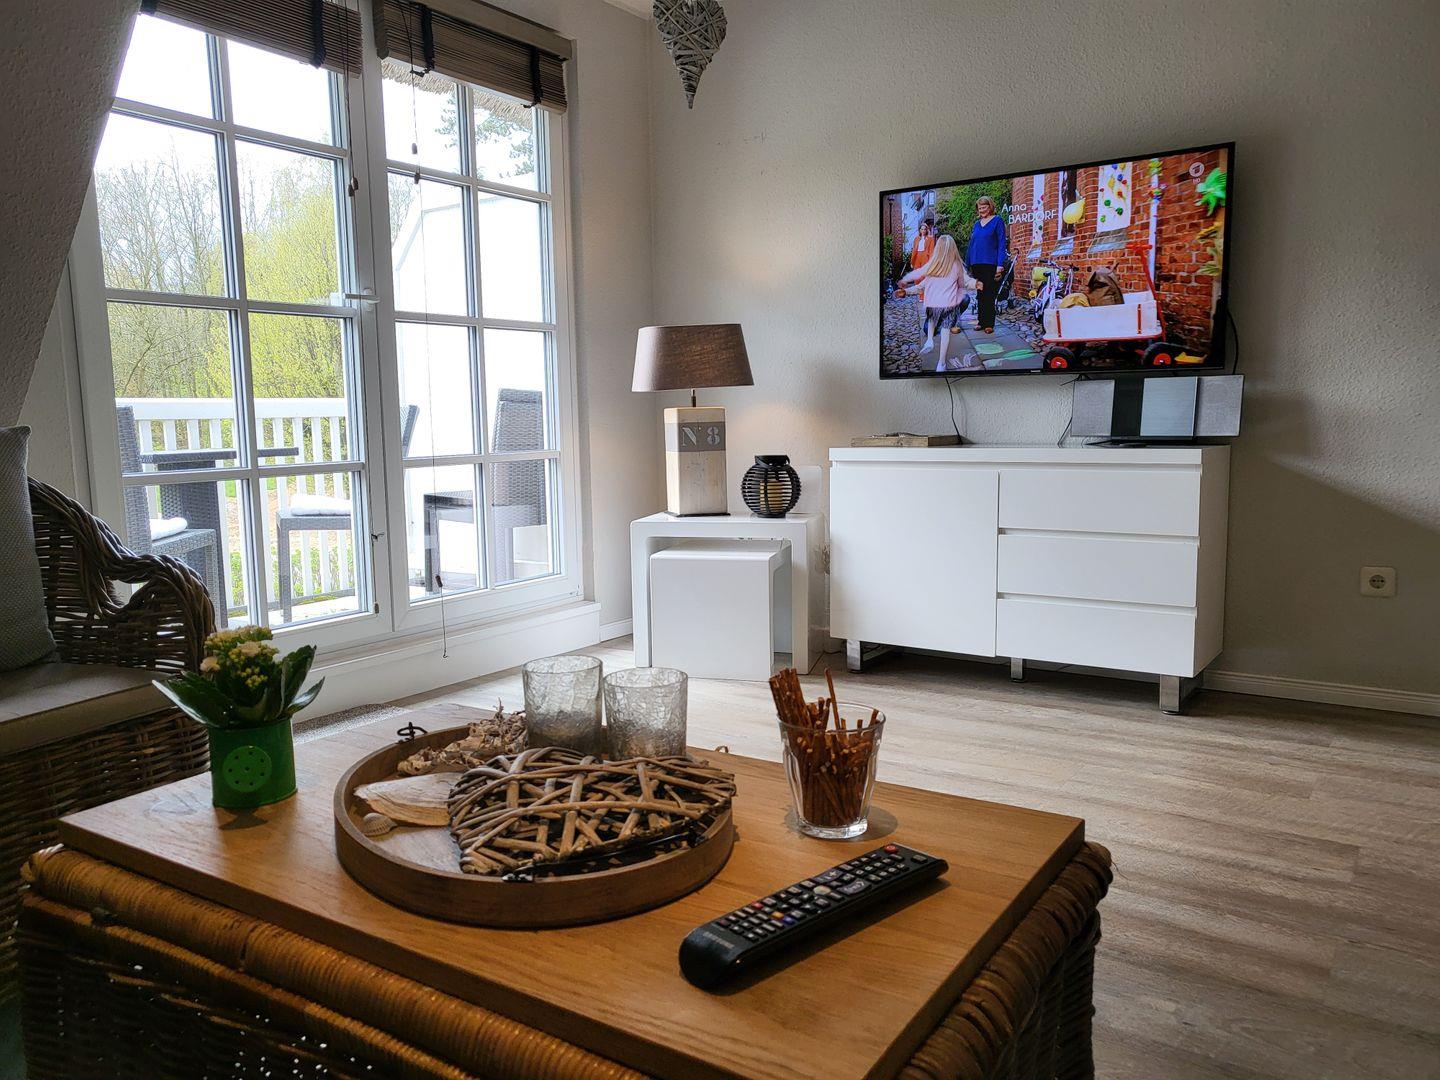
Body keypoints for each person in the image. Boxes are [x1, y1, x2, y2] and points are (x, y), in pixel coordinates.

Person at [896, 234, 974, 370]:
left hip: (935, 307)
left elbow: (921, 286)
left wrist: (906, 291)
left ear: (938, 250)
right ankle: (941, 363)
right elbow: (965, 283)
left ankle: (930, 341)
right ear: (953, 250)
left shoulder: (935, 267)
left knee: (961, 302)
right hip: (947, 307)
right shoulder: (955, 267)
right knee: (942, 329)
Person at [966, 196, 1007, 333]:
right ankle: (981, 322)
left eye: (984, 207)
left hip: (990, 263)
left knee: (989, 293)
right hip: (976, 263)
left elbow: (1002, 243)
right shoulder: (977, 224)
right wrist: (968, 263)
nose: (982, 210)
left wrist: (1000, 264)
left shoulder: (997, 221)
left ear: (990, 207)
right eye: (980, 208)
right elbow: (972, 244)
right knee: (980, 293)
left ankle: (989, 323)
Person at [909, 220, 935, 305]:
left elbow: (931, 251)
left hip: (925, 258)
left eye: (924, 229)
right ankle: (921, 294)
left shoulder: (930, 238)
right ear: (919, 230)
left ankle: (925, 296)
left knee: (924, 277)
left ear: (927, 230)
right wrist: (912, 262)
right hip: (917, 257)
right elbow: (914, 251)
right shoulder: (916, 239)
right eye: (922, 229)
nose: (923, 231)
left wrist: (930, 262)